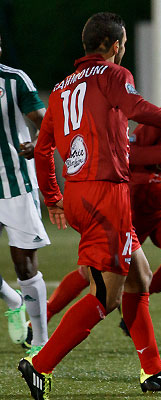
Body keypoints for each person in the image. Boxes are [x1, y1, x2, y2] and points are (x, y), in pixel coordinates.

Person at [18, 12, 161, 399]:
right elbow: (139, 109)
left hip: (79, 193)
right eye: (123, 44)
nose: (123, 49)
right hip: (106, 194)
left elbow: (43, 150)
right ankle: (39, 364)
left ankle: (153, 371)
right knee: (105, 295)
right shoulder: (112, 76)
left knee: (139, 278)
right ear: (115, 45)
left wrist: (53, 198)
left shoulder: (60, 89)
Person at [43, 58, 161, 325]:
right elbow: (127, 154)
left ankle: (138, 302)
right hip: (134, 204)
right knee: (89, 272)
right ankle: (40, 319)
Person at [0, 33, 49, 355]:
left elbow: (44, 123)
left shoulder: (14, 81)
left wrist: (38, 144)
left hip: (14, 183)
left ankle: (42, 342)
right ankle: (12, 300)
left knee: (24, 267)